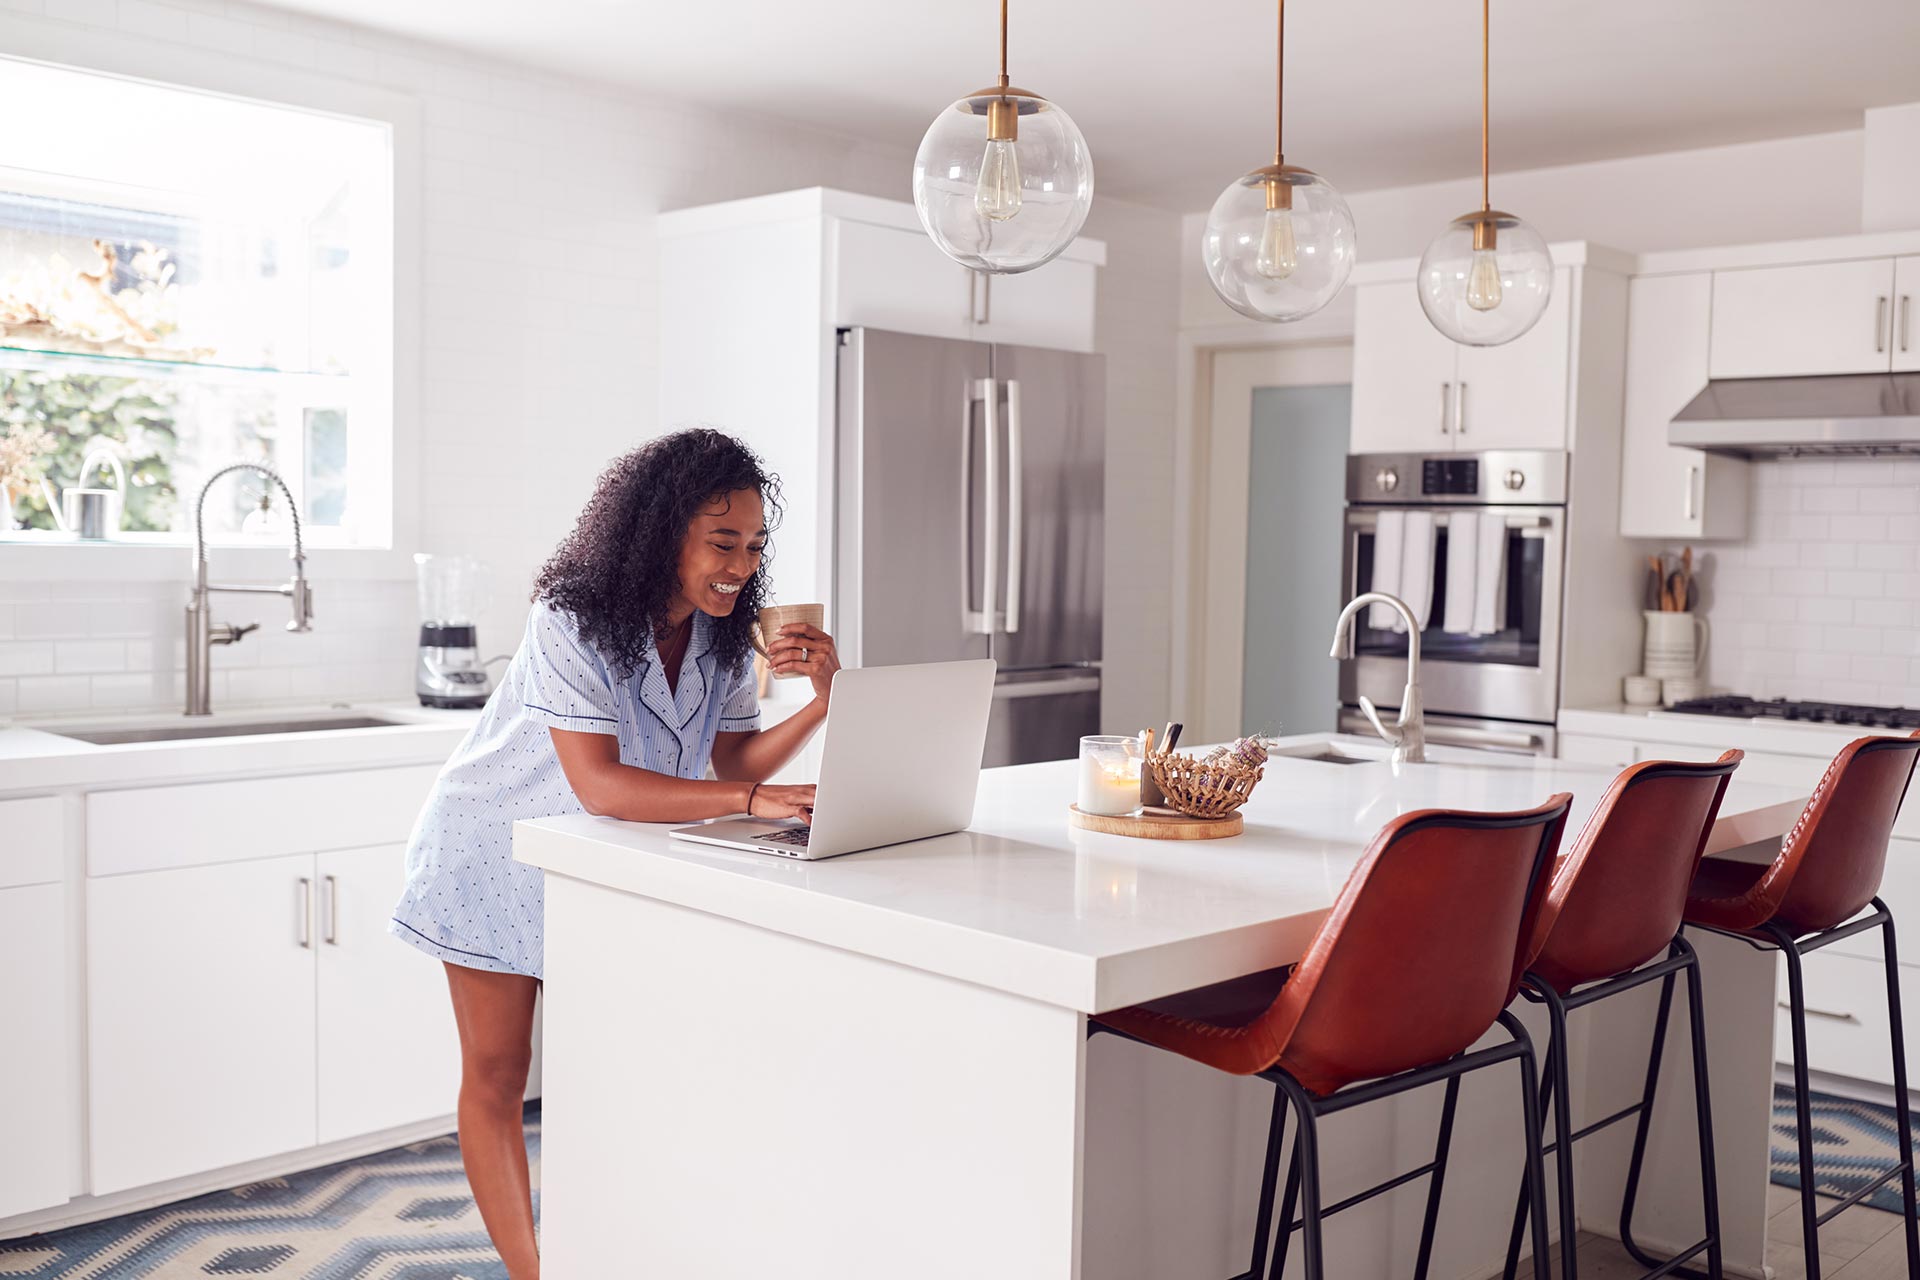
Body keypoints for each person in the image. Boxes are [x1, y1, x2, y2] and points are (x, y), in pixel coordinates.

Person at [389, 429, 834, 1279]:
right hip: (493, 851)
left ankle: (624, 1246)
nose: (740, 564)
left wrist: (826, 699)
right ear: (663, 532)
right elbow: (601, 783)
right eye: (721, 542)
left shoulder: (722, 635)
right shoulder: (572, 617)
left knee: (627, 1069)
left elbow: (735, 759)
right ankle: (536, 1273)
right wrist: (748, 802)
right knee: (497, 1072)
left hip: (607, 865)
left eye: (753, 545)